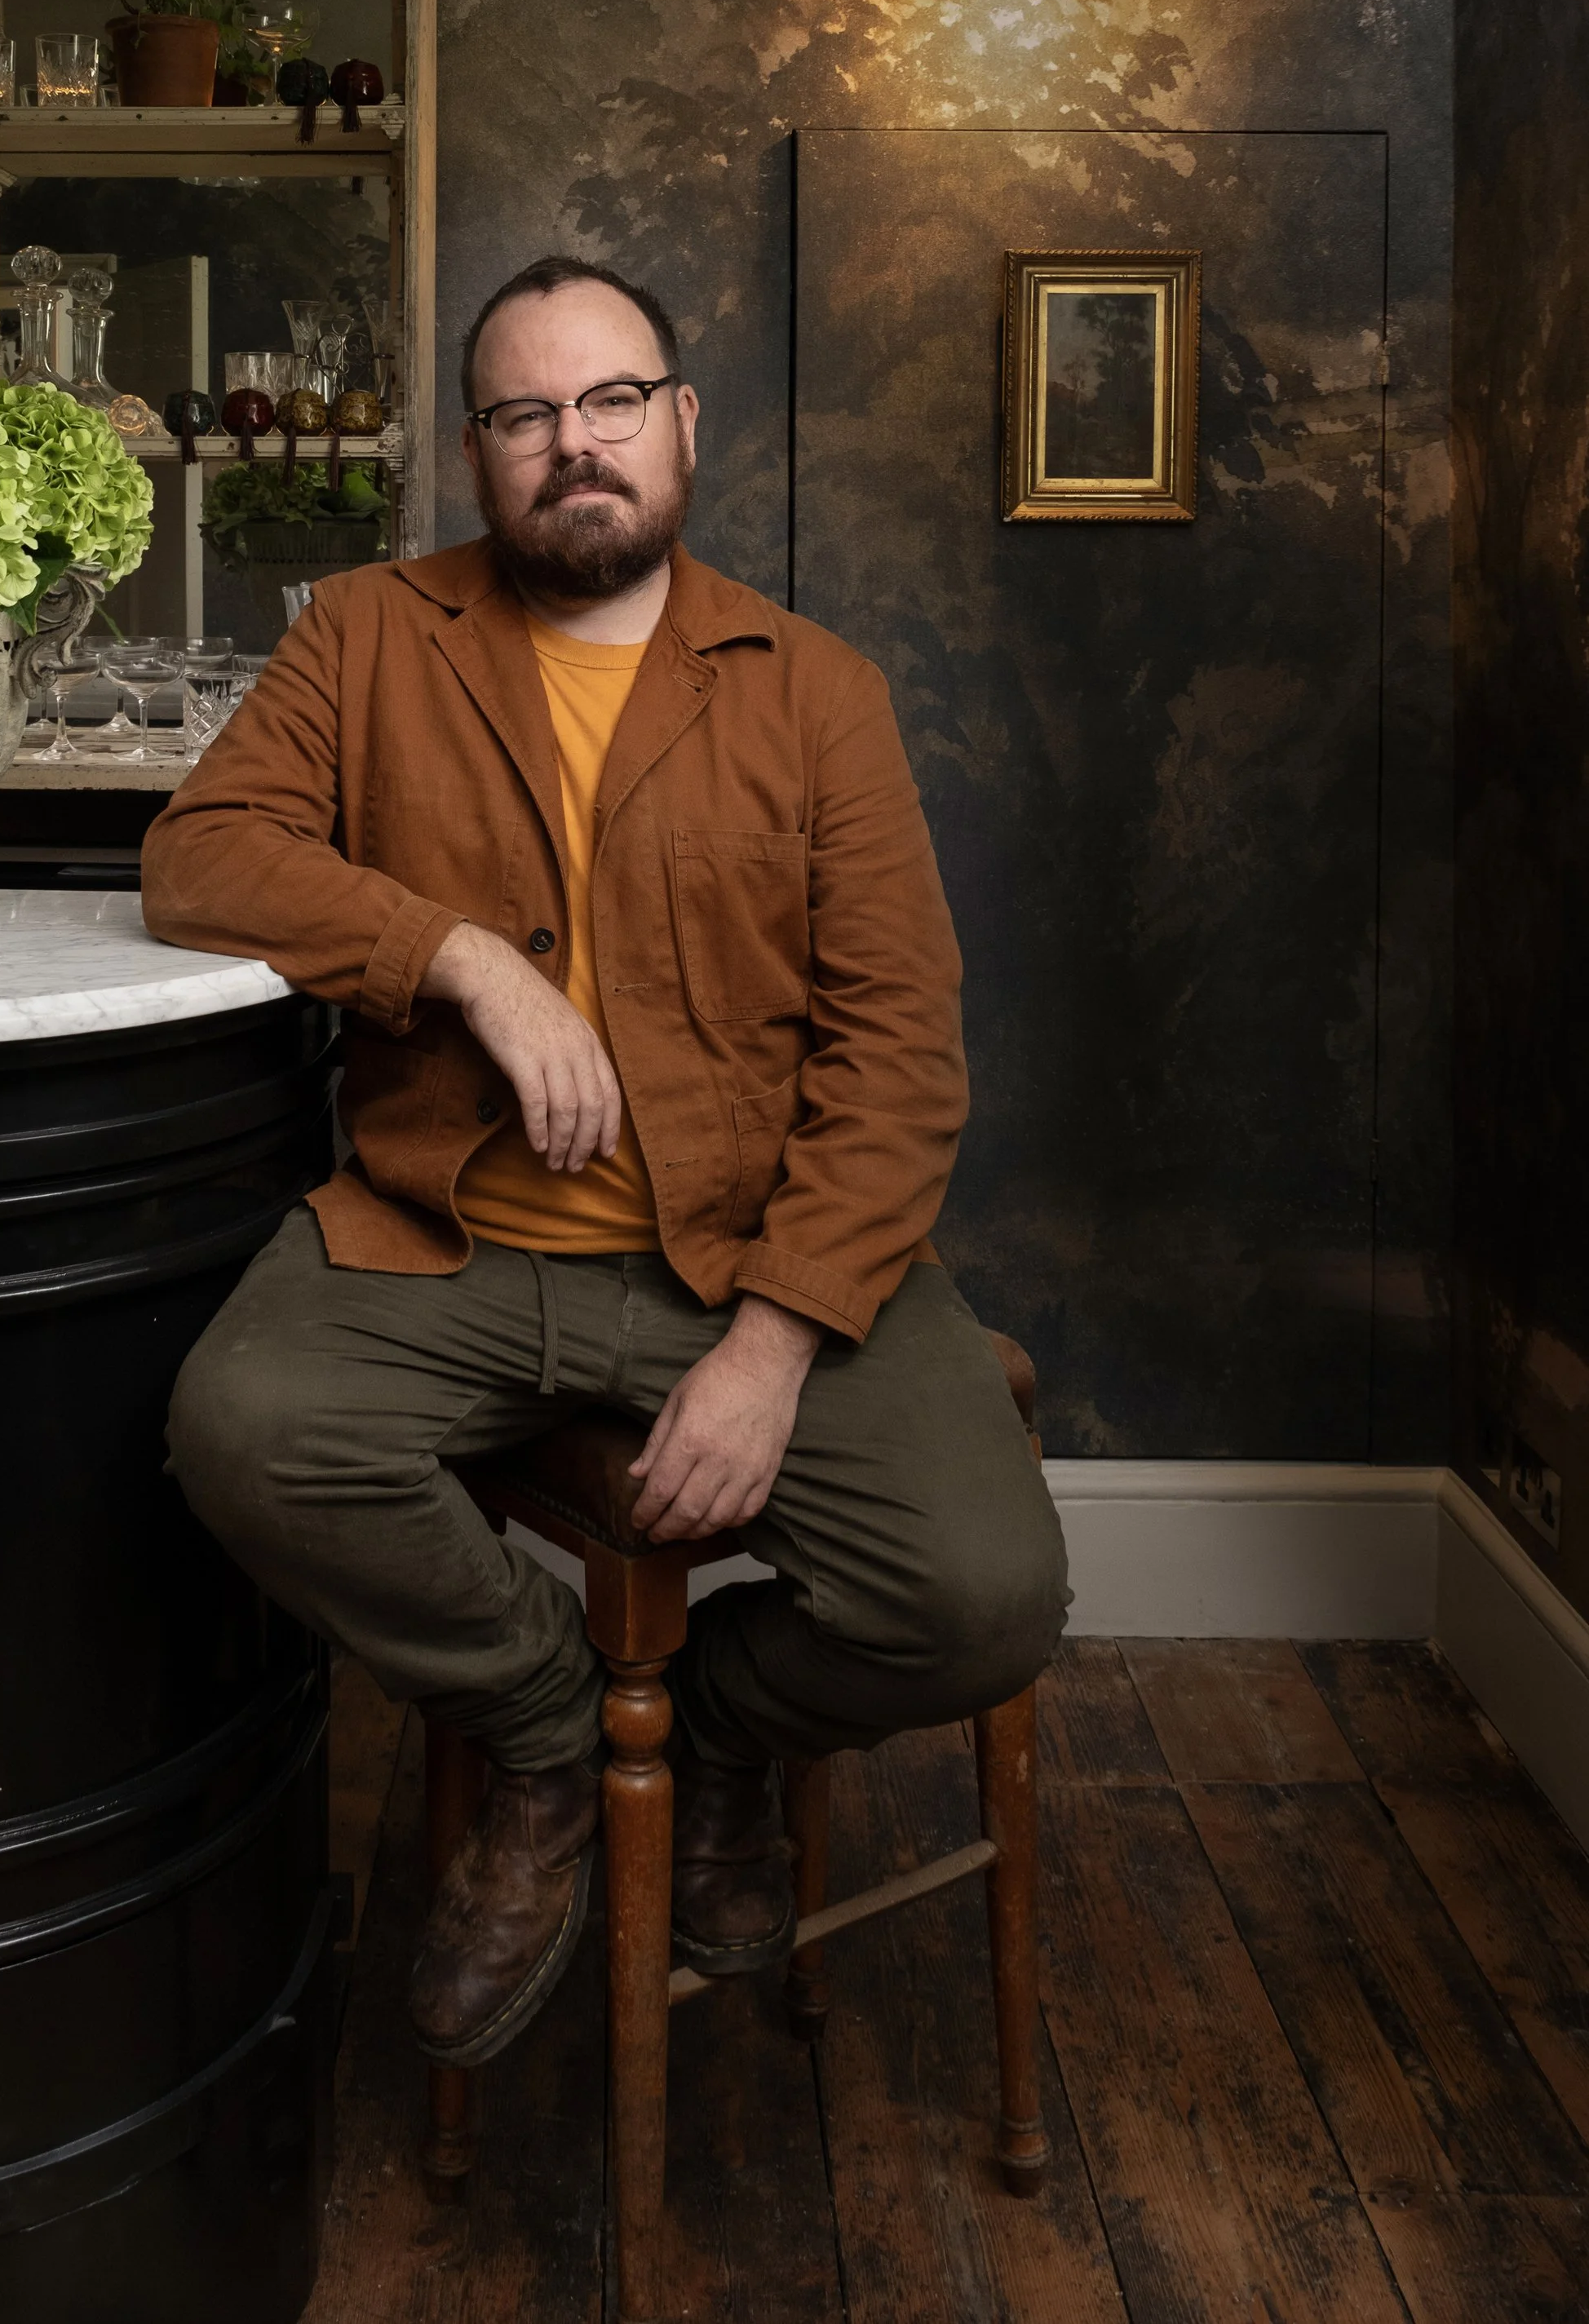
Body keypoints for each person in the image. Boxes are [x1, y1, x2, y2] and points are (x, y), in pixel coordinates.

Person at [144, 254, 1068, 2068]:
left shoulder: (817, 692)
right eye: (526, 413)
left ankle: (715, 1735)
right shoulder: (369, 636)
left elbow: (900, 1053)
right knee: (237, 1427)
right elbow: (204, 854)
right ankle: (558, 1738)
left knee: (983, 1592)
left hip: (750, 1249)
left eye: (612, 402)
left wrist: (777, 1340)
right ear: (475, 447)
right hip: (452, 1235)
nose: (576, 446)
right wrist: (462, 959)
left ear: (681, 421)